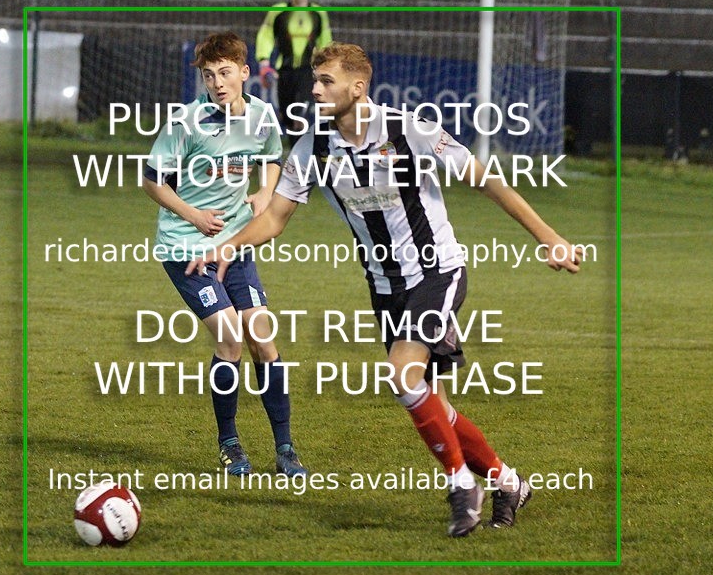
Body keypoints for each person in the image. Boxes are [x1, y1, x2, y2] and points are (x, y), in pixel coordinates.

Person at [189, 43, 584, 538]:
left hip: (437, 271)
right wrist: (229, 246)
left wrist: (549, 238)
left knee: (401, 377)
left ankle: (464, 485)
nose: (315, 89)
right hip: (384, 287)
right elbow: (273, 217)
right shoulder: (313, 146)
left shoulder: (408, 129)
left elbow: (486, 181)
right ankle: (508, 482)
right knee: (429, 400)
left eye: (327, 81)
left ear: (358, 87)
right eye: (315, 80)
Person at [141, 31, 306, 479]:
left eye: (225, 73)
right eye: (209, 75)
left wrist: (265, 191)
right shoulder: (186, 121)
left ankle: (285, 447)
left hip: (234, 246)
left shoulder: (261, 115)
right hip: (186, 249)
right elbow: (152, 179)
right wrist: (193, 214)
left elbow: (272, 155)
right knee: (230, 338)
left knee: (263, 339)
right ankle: (229, 442)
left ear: (244, 73)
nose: (217, 82)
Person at [256, 0, 333, 131]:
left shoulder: (318, 13)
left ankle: (300, 153)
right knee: (287, 116)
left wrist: (327, 66)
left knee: (299, 115)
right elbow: (266, 36)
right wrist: (264, 62)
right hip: (284, 70)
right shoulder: (278, 11)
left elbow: (325, 40)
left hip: (307, 71)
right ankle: (294, 151)